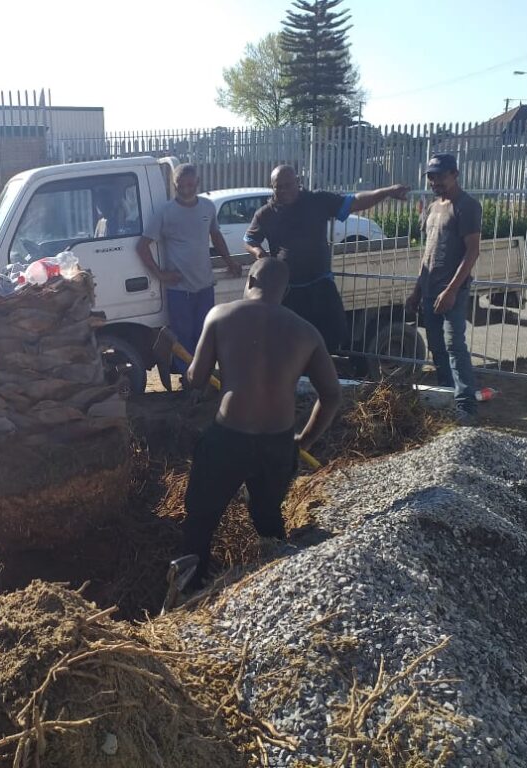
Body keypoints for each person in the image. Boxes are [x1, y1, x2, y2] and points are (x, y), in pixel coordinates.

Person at [180, 258, 342, 588]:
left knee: (200, 519)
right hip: (278, 444)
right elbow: (332, 396)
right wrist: (303, 442)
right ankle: (281, 583)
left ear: (251, 279)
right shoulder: (306, 332)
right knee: (268, 518)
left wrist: (193, 371)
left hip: (227, 438)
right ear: (285, 291)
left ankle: (189, 589)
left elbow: (196, 378)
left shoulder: (220, 315)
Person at [243, 165, 410, 352]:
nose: (283, 191)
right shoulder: (266, 213)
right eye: (278, 187)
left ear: (298, 182)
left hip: (320, 284)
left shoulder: (317, 201)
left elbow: (354, 202)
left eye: (288, 185)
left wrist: (386, 192)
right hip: (289, 290)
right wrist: (259, 253)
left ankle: (325, 372)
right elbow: (249, 239)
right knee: (290, 342)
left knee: (333, 335)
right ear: (272, 187)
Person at [136, 163, 242, 379]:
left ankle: (205, 379)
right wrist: (161, 275)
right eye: (180, 185)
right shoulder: (165, 212)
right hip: (179, 290)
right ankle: (189, 383)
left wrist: (230, 262)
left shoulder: (207, 207)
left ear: (198, 184)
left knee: (205, 336)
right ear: (174, 186)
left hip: (204, 286)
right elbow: (142, 246)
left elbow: (216, 236)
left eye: (190, 185)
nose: (186, 189)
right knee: (183, 339)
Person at [406, 154, 482, 419]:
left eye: (440, 175)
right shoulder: (433, 208)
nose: (434, 180)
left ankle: (466, 405)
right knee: (437, 346)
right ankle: (447, 395)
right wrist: (417, 290)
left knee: (454, 346)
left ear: (455, 174)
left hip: (452, 291)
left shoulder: (467, 206)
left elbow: (472, 252)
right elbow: (427, 253)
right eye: (431, 176)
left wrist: (450, 290)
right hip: (429, 289)